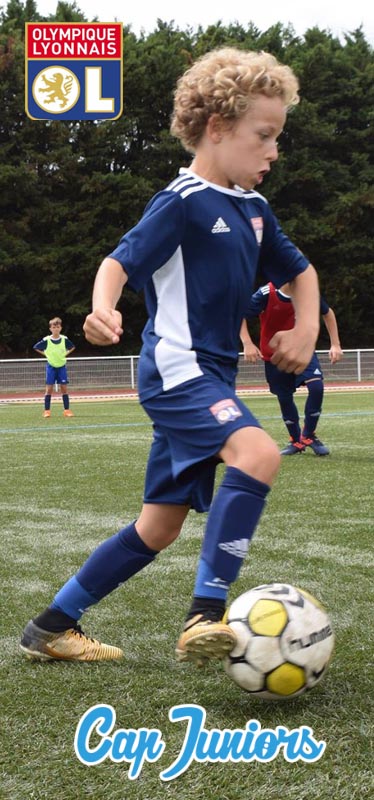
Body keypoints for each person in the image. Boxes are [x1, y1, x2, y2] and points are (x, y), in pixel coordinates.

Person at [20, 47, 320, 664]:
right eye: (264, 136)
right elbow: (118, 262)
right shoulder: (181, 201)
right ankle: (204, 616)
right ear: (217, 129)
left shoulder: (255, 211)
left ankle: (51, 627)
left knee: (157, 526)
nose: (274, 151)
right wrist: (105, 306)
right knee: (259, 451)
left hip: (208, 378)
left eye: (277, 137)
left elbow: (303, 271)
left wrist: (308, 327)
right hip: (178, 372)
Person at [240, 282, 343, 454]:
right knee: (284, 397)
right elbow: (239, 315)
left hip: (303, 350)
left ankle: (309, 436)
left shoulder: (308, 291)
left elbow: (327, 313)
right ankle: (295, 441)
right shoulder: (266, 293)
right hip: (275, 354)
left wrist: (336, 344)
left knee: (316, 387)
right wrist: (247, 343)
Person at [33, 317, 75, 418]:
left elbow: (72, 347)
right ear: (50, 328)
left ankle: (67, 410)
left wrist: (65, 354)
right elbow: (36, 347)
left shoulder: (64, 339)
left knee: (64, 389)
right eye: (54, 327)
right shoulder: (47, 340)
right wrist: (46, 355)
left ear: (60, 328)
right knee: (49, 389)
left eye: (58, 327)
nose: (56, 329)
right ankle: (47, 411)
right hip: (51, 367)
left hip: (62, 367)